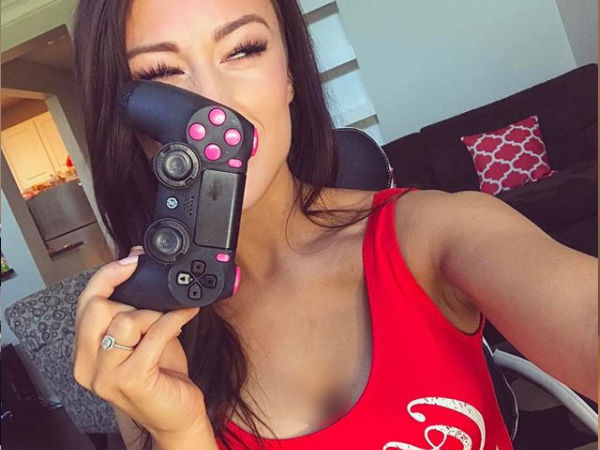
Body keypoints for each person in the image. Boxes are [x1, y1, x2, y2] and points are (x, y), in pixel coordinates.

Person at [70, 1, 598, 449]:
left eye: (243, 50)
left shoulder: (434, 232)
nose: (217, 106)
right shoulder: (143, 338)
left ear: (289, 75)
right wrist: (181, 433)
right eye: (161, 74)